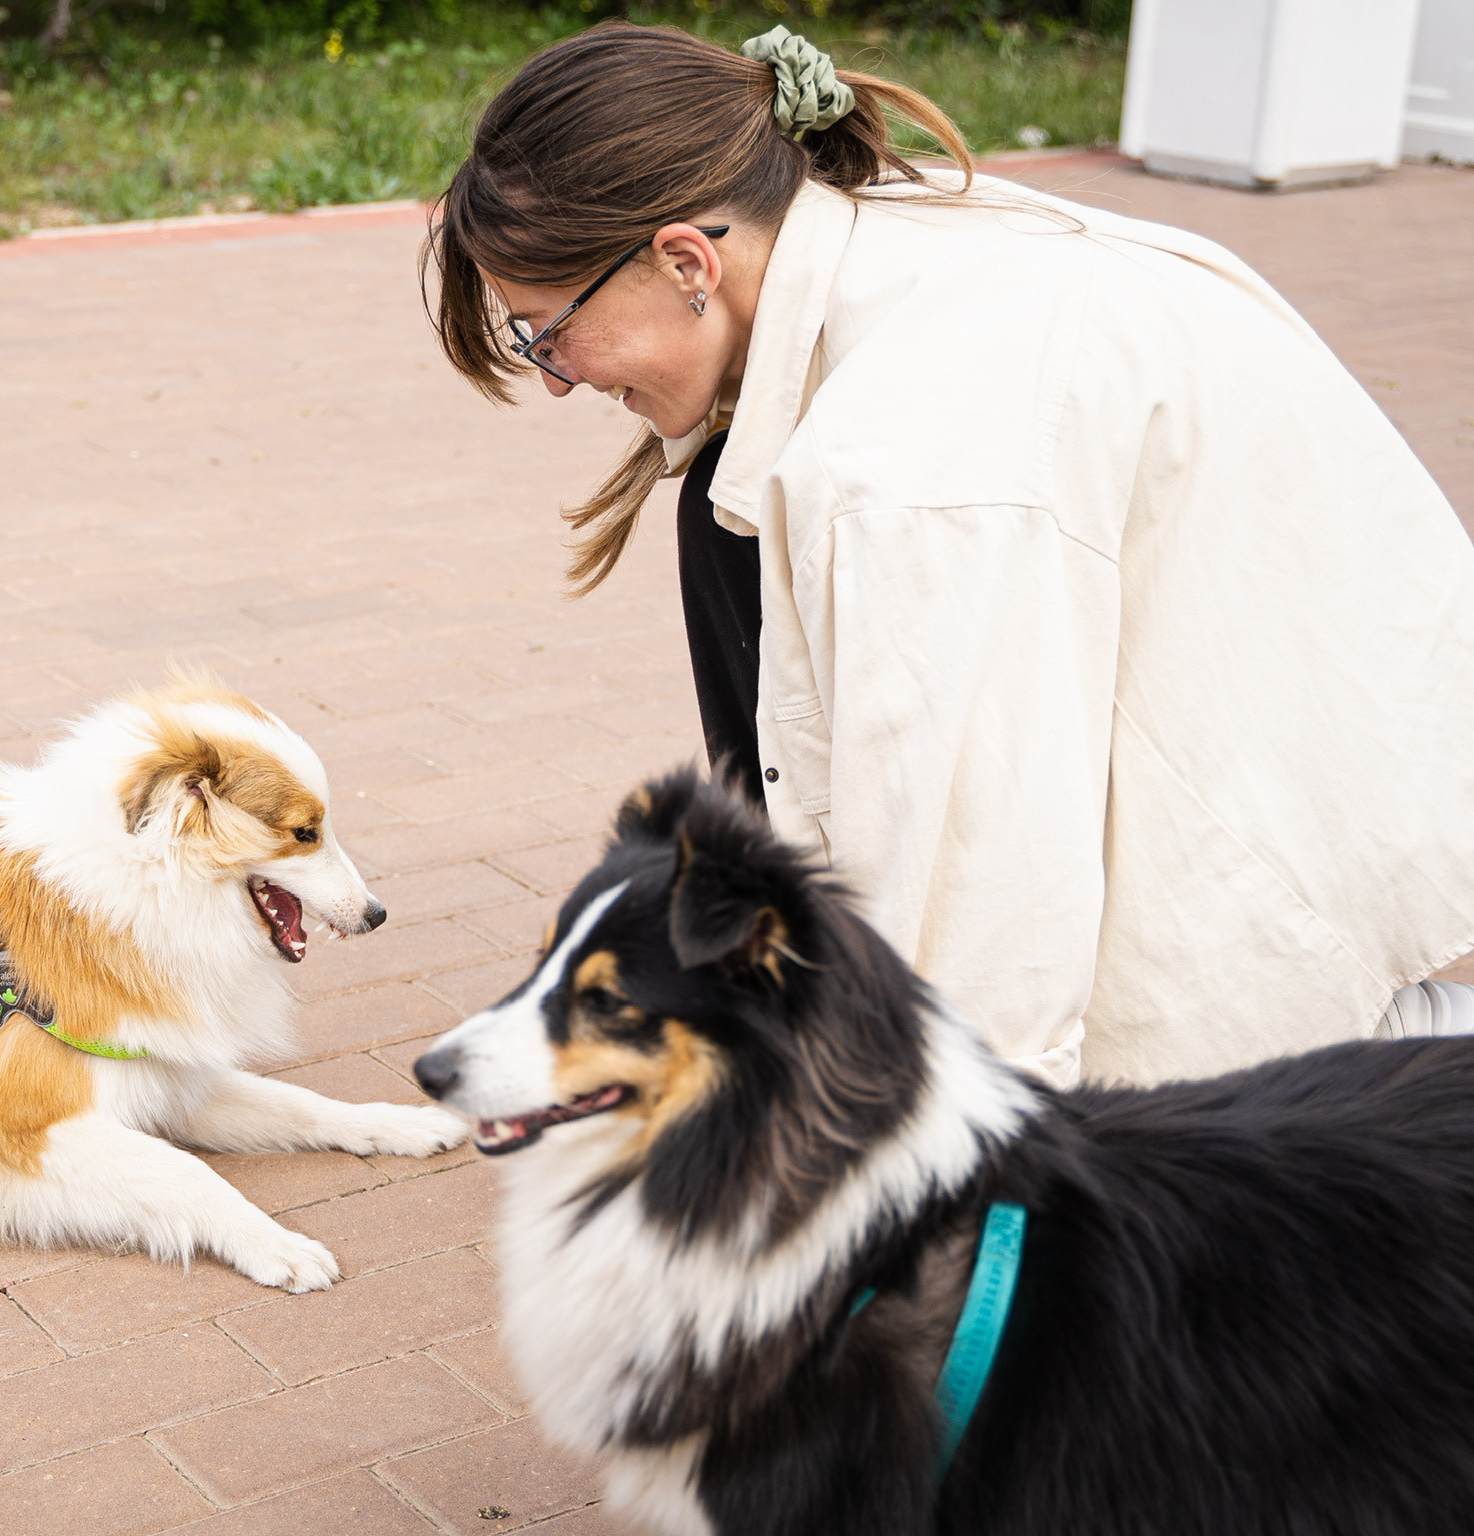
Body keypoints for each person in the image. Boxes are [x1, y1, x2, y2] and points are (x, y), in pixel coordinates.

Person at [426, 22, 1474, 1087]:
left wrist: (946, 1181)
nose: (552, 377)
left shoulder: (910, 464)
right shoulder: (893, 233)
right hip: (1309, 836)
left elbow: (989, 920)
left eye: (542, 332)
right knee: (721, 505)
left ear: (687, 260)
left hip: (1275, 1002)